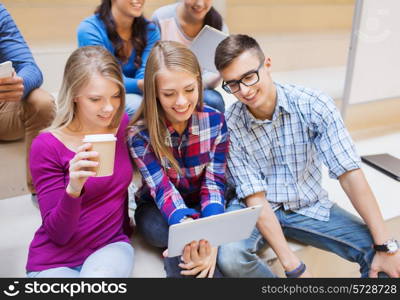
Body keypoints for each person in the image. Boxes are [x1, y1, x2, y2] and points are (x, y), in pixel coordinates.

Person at [214, 34, 400, 278]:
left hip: (307, 204)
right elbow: (255, 198)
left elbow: (349, 172)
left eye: (249, 76)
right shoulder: (231, 123)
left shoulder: (314, 104)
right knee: (230, 257)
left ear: (267, 64)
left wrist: (385, 245)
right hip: (253, 208)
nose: (245, 90)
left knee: (386, 260)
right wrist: (294, 266)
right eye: (234, 84)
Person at [26, 46, 134, 278]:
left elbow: (117, 191)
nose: (109, 108)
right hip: (54, 260)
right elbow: (58, 234)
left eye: (115, 95)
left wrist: (128, 228)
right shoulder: (46, 146)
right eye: (95, 99)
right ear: (74, 95)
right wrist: (74, 189)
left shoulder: (121, 123)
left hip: (109, 245)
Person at [128, 40, 229, 278]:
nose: (182, 102)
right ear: (154, 93)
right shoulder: (139, 135)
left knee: (190, 240)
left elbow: (214, 182)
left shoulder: (215, 121)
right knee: (163, 233)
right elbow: (162, 190)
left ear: (199, 83)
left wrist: (210, 228)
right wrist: (185, 226)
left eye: (189, 90)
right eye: (169, 94)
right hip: (158, 206)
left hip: (200, 201)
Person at [0, 4, 55, 201]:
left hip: (3, 108)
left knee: (41, 102)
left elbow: (30, 67)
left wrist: (19, 85)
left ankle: (40, 189)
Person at [77, 0, 160, 118]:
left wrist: (144, 84)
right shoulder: (89, 29)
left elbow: (146, 71)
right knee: (137, 105)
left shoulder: (150, 30)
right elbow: (105, 78)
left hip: (140, 93)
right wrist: (141, 85)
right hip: (102, 94)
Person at [152, 0, 227, 113]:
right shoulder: (161, 18)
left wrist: (190, 87)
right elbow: (152, 63)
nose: (200, 4)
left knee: (213, 101)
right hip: (167, 86)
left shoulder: (219, 25)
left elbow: (215, 71)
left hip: (200, 87)